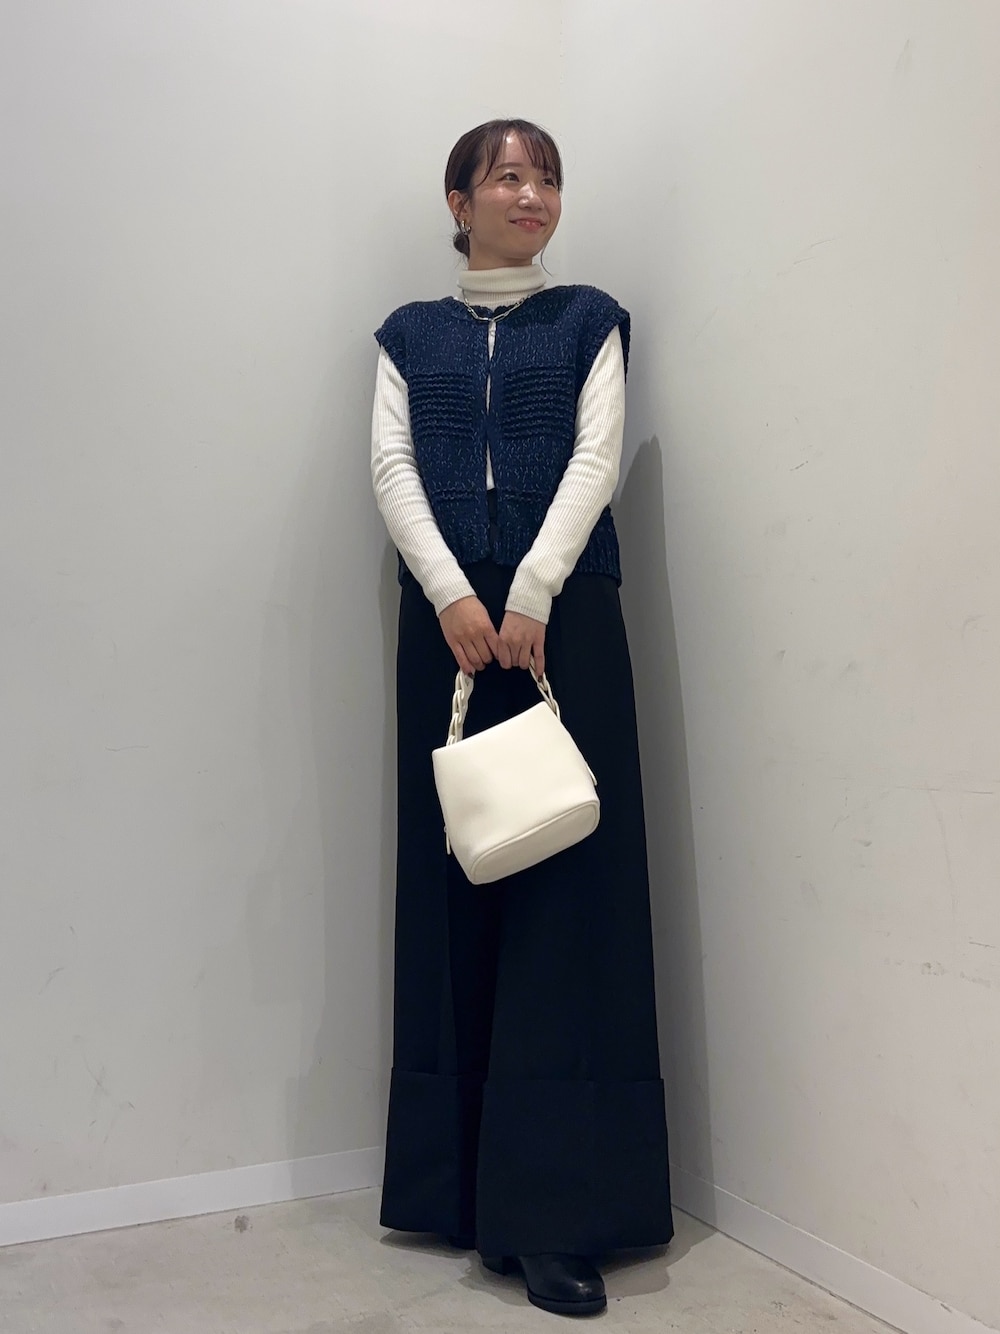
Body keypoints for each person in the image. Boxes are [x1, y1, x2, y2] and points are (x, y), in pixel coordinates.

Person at [370, 118, 672, 1318]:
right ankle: (459, 1189)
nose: (531, 193)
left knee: (567, 902)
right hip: (445, 623)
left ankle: (555, 1211)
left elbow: (596, 458)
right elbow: (392, 467)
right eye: (507, 175)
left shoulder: (590, 320)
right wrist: (453, 592)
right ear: (460, 200)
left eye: (545, 176)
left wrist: (533, 589)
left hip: (564, 619)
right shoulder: (408, 334)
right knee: (457, 884)